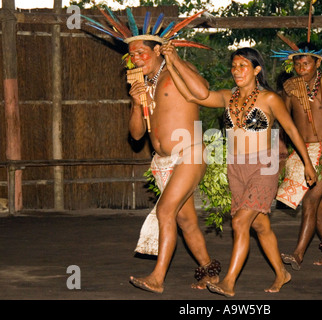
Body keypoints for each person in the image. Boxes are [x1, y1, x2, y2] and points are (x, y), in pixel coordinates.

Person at [81, 8, 222, 294]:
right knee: (185, 220)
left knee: (166, 211)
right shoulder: (145, 84)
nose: (136, 59)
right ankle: (210, 271)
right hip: (162, 162)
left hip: (191, 153)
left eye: (142, 53)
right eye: (132, 55)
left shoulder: (175, 71)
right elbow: (136, 135)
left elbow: (204, 90)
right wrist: (136, 102)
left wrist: (176, 58)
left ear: (158, 50)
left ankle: (157, 277)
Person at [162, 44, 317, 297]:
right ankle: (282, 273)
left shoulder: (269, 99)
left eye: (242, 65)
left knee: (240, 221)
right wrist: (172, 61)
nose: (236, 70)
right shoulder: (227, 96)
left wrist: (308, 164)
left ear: (257, 69)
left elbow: (291, 130)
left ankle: (229, 281)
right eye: (234, 66)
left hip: (264, 167)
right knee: (260, 226)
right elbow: (194, 96)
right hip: (236, 167)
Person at [272, 41, 322, 268]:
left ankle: (298, 253)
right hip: (302, 150)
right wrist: (283, 147)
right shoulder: (290, 87)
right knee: (317, 205)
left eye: (306, 63)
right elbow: (284, 120)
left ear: (318, 62)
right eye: (298, 63)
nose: (301, 67)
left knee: (311, 201)